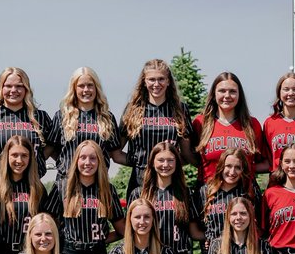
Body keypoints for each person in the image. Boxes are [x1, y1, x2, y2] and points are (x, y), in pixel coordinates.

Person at [41, 140, 124, 254]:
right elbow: (47, 224)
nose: (88, 162)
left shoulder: (107, 189)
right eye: (83, 157)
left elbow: (121, 230)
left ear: (100, 161)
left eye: (93, 158)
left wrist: (101, 239)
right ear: (76, 160)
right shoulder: (62, 187)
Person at [117, 59, 195, 200]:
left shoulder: (180, 110)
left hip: (172, 181)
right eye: (152, 79)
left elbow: (187, 153)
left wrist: (169, 163)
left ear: (168, 81)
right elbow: (116, 153)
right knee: (141, 221)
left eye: (161, 79)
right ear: (144, 82)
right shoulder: (132, 110)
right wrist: (139, 162)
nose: (156, 84)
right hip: (140, 181)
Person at [132, 140, 197, 254]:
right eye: (161, 160)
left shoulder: (186, 194)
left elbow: (194, 231)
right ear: (153, 162)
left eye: (170, 160)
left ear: (177, 163)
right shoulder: (139, 194)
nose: (165, 165)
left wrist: (211, 239)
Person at [0, 67, 54, 179]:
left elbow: (52, 145)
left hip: (30, 186)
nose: (13, 90)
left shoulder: (40, 117)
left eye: (19, 86)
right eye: (8, 86)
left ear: (26, 89)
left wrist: (39, 159)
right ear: (1, 88)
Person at [47, 67, 124, 183]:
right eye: (81, 86)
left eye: (90, 85)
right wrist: (66, 162)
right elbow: (50, 150)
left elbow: (116, 154)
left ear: (96, 88)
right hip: (66, 183)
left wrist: (146, 161)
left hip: (98, 185)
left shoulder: (107, 118)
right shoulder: (61, 116)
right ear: (74, 88)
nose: (86, 90)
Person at [192, 71, 268, 182]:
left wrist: (247, 170)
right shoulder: (201, 122)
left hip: (244, 192)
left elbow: (264, 161)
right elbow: (191, 156)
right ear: (214, 94)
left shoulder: (251, 124)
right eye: (222, 91)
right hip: (209, 192)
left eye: (232, 91)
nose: (227, 96)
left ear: (239, 95)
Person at [195, 148, 258, 252]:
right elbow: (194, 225)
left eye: (237, 167)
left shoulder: (249, 190)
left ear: (243, 169)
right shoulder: (206, 190)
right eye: (228, 166)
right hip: (214, 253)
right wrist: (207, 237)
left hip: (244, 253)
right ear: (221, 166)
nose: (232, 172)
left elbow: (259, 225)